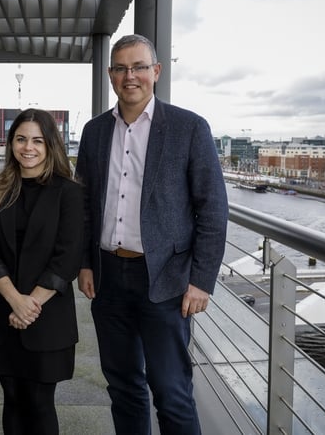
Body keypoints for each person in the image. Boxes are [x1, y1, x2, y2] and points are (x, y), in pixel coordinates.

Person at [74, 34, 229, 434]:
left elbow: (213, 208)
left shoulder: (189, 128)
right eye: (122, 68)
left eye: (139, 67)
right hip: (108, 277)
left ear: (156, 72)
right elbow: (85, 204)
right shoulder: (94, 132)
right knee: (123, 387)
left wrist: (201, 281)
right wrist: (85, 264)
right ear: (110, 75)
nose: (131, 76)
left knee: (172, 392)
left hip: (165, 281)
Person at [0, 108, 83, 435]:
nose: (28, 147)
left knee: (39, 402)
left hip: (47, 317)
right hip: (2, 313)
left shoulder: (69, 191)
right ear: (11, 144)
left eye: (38, 140)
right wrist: (15, 301)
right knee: (11, 398)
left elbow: (68, 257)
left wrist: (29, 305)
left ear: (51, 145)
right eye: (21, 139)